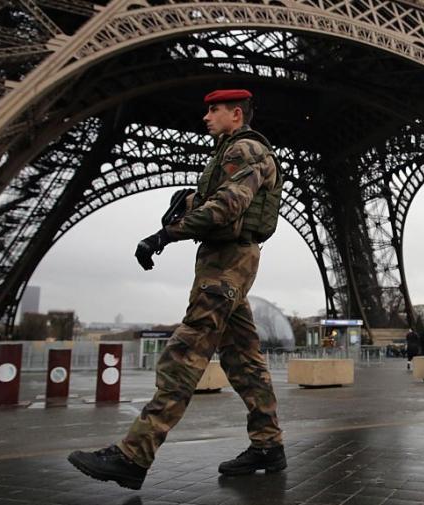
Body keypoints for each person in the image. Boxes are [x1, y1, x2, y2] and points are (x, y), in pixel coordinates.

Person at [67, 89, 286, 489]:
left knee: (183, 355)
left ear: (236, 114)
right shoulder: (231, 152)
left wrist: (164, 235)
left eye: (214, 110)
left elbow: (228, 206)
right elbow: (218, 200)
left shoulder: (246, 150)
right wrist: (188, 198)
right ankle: (268, 444)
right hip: (229, 263)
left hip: (226, 265)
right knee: (244, 360)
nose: (206, 116)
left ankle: (134, 454)